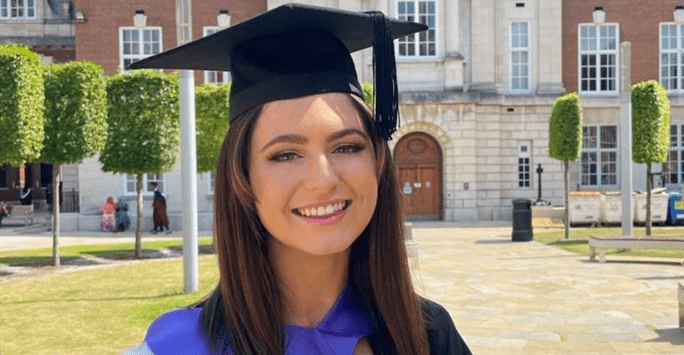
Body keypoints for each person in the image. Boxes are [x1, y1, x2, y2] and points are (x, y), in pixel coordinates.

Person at [126, 4, 472, 354]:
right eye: (285, 155)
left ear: (378, 162)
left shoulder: (427, 334)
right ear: (242, 177)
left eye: (347, 147)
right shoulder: (182, 347)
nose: (323, 179)